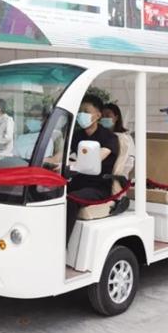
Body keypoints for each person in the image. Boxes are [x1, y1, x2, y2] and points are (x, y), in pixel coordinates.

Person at [66, 95, 121, 243]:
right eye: (80, 111)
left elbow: (95, 158)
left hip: (99, 187)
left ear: (97, 115)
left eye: (86, 111)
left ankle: (61, 246)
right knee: (48, 192)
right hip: (78, 183)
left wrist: (72, 164)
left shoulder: (109, 137)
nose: (81, 115)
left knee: (71, 199)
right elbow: (61, 155)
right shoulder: (77, 135)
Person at [101, 103, 135, 176]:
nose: (104, 119)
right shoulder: (99, 136)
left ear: (116, 117)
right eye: (102, 116)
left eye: (107, 116)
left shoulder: (125, 137)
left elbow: (129, 162)